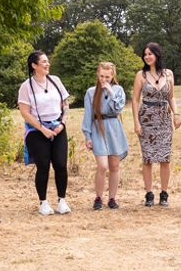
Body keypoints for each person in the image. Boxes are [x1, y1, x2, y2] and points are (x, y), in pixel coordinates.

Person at [18, 50, 71, 215]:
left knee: (61, 165)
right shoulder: (26, 86)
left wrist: (62, 123)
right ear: (34, 65)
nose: (48, 64)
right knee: (43, 166)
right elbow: (24, 112)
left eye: (48, 61)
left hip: (58, 127)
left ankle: (62, 200)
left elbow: (65, 105)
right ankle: (43, 202)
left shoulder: (55, 81)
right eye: (44, 62)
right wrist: (42, 129)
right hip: (37, 130)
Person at [132, 42, 179, 207]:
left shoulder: (168, 74)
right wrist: (136, 122)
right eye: (145, 54)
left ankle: (164, 194)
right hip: (146, 118)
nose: (147, 57)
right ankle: (149, 193)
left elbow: (171, 96)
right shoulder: (141, 75)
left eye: (150, 54)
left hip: (164, 118)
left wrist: (176, 114)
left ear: (157, 55)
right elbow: (135, 100)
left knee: (165, 158)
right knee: (148, 158)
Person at [82, 62, 129, 210]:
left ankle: (112, 198)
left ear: (112, 76)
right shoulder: (91, 92)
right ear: (98, 74)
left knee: (114, 166)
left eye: (107, 77)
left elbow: (118, 109)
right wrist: (87, 136)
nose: (104, 79)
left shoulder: (118, 90)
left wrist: (110, 91)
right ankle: (98, 198)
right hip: (98, 128)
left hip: (114, 128)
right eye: (101, 76)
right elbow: (88, 115)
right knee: (102, 166)